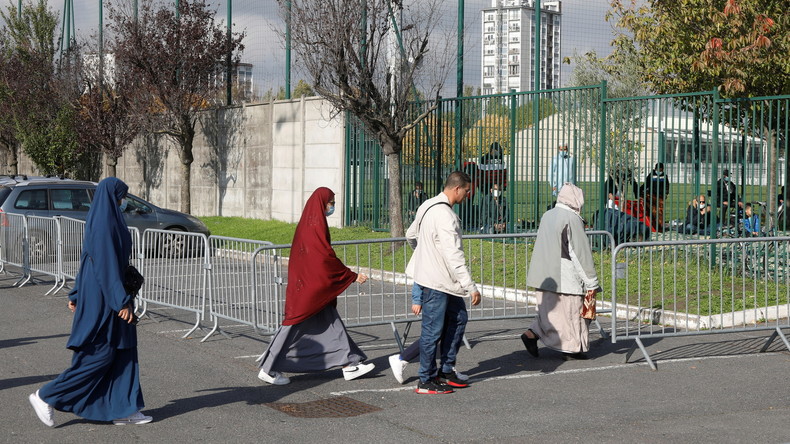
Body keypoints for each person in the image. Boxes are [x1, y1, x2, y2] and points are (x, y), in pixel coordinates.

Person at [29, 177, 152, 427]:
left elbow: (87, 259)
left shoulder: (105, 219)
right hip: (105, 298)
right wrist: (121, 302)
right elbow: (104, 265)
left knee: (124, 352)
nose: (122, 201)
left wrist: (76, 294)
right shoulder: (105, 224)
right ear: (112, 197)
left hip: (106, 293)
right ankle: (46, 396)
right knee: (100, 355)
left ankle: (124, 408)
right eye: (120, 196)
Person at [257, 187, 374, 385]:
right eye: (331, 203)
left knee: (331, 324)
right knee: (291, 326)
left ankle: (350, 364)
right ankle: (268, 369)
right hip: (310, 288)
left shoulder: (309, 223)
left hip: (309, 286)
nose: (332, 207)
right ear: (322, 203)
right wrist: (351, 276)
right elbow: (324, 258)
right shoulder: (314, 226)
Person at [405, 171, 482, 394]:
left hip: (442, 280)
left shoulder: (427, 205)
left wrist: (424, 255)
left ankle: (446, 370)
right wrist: (471, 287)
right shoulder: (446, 216)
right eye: (467, 190)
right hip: (436, 282)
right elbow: (454, 254)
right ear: (457, 188)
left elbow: (411, 235)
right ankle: (426, 379)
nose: (468, 195)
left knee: (458, 319)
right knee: (432, 331)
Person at [520, 183, 600, 361]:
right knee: (572, 313)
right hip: (564, 276)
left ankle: (532, 333)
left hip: (543, 275)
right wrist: (591, 281)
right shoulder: (572, 219)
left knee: (550, 313)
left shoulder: (547, 215)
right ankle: (571, 349)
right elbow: (579, 253)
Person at [387, 283, 470, 386]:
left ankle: (446, 370)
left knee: (455, 322)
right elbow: (420, 276)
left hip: (449, 288)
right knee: (434, 331)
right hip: (436, 289)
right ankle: (406, 361)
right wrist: (417, 299)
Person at [643, 163, 670, 232]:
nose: (660, 171)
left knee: (660, 212)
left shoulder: (664, 176)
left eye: (661, 170)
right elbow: (646, 184)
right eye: (659, 169)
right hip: (651, 195)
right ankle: (652, 225)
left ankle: (660, 227)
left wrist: (666, 193)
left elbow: (667, 185)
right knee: (651, 211)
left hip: (660, 196)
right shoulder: (651, 175)